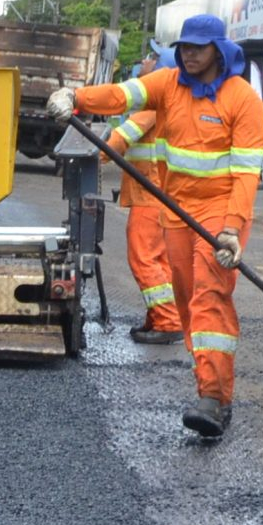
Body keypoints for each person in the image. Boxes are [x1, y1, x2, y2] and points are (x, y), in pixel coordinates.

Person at [51, 13, 263, 440]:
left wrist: (232, 228)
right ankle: (216, 393)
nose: (188, 53)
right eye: (184, 46)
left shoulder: (243, 100)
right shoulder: (168, 85)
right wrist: (77, 96)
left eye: (198, 47)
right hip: (176, 209)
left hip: (219, 214)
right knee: (188, 302)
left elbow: (245, 174)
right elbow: (122, 95)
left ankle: (211, 400)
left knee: (209, 300)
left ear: (219, 51)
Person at [111, 43, 182, 345]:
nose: (144, 59)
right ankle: (161, 318)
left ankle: (167, 321)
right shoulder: (168, 105)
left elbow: (117, 140)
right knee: (160, 261)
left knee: (144, 258)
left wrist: (87, 154)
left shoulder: (151, 106)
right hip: (160, 194)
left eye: (152, 57)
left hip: (150, 195)